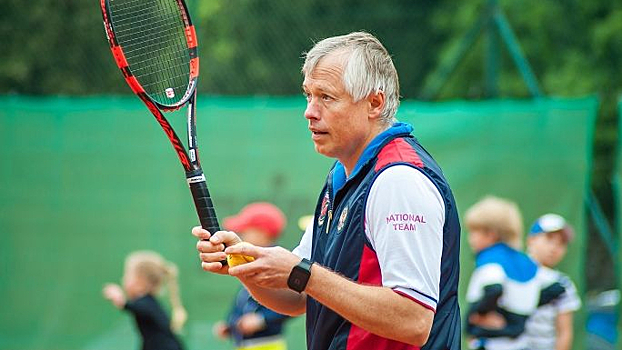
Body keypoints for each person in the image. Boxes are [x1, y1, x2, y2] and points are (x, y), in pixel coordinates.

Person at [193, 31, 461, 350]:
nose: (309, 111)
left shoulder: (399, 179)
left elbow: (413, 320)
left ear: (374, 103)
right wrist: (245, 266)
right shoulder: (341, 175)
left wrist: (303, 274)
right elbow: (296, 296)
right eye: (309, 95)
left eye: (327, 97)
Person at [463, 196, 565, 350]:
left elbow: (493, 288)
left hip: (491, 343)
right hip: (519, 342)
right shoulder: (526, 262)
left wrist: (481, 313)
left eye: (474, 232)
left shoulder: (490, 259)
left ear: (490, 234)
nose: (470, 239)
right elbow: (554, 289)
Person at [213, 202, 292, 350]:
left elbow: (293, 303)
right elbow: (242, 303)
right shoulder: (248, 261)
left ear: (263, 233)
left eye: (246, 230)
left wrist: (262, 319)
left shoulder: (278, 264)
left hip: (267, 346)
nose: (241, 235)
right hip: (244, 345)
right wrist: (229, 325)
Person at [103, 250, 186, 350]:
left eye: (127, 276)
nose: (123, 279)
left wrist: (121, 301)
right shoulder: (150, 303)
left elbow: (140, 308)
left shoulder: (147, 303)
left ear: (140, 281)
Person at [524, 214, 581, 350]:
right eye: (549, 239)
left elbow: (564, 332)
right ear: (531, 240)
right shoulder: (512, 271)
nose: (554, 247)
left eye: (561, 243)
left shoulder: (563, 284)